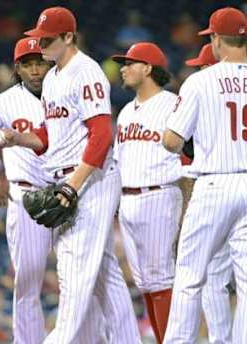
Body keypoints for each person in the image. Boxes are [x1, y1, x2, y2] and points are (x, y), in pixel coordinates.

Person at [0, 7, 141, 343]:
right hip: (68, 178)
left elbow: (101, 135)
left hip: (90, 180)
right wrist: (18, 138)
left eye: (47, 39)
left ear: (68, 37)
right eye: (39, 37)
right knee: (105, 275)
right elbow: (48, 137)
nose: (40, 44)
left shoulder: (86, 72)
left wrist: (72, 187)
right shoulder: (53, 78)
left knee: (73, 275)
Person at [162, 7, 247, 343]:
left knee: (189, 277)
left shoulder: (200, 80)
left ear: (215, 39)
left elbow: (172, 141)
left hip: (215, 182)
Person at [0, 37, 53, 343]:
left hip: (70, 191)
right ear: (17, 68)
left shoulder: (69, 93)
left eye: (40, 63)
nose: (35, 71)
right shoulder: (2, 102)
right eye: (28, 64)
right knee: (27, 282)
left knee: (86, 279)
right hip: (27, 194)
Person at [111, 42, 182, 343]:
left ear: (148, 68)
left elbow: (189, 155)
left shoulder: (173, 104)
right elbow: (117, 161)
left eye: (130, 63)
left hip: (159, 194)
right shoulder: (127, 111)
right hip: (128, 200)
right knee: (144, 283)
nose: (123, 68)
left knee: (161, 279)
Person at [183, 42, 234, 343]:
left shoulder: (203, 95)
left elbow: (176, 141)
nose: (198, 73)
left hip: (219, 188)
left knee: (208, 275)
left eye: (201, 68)